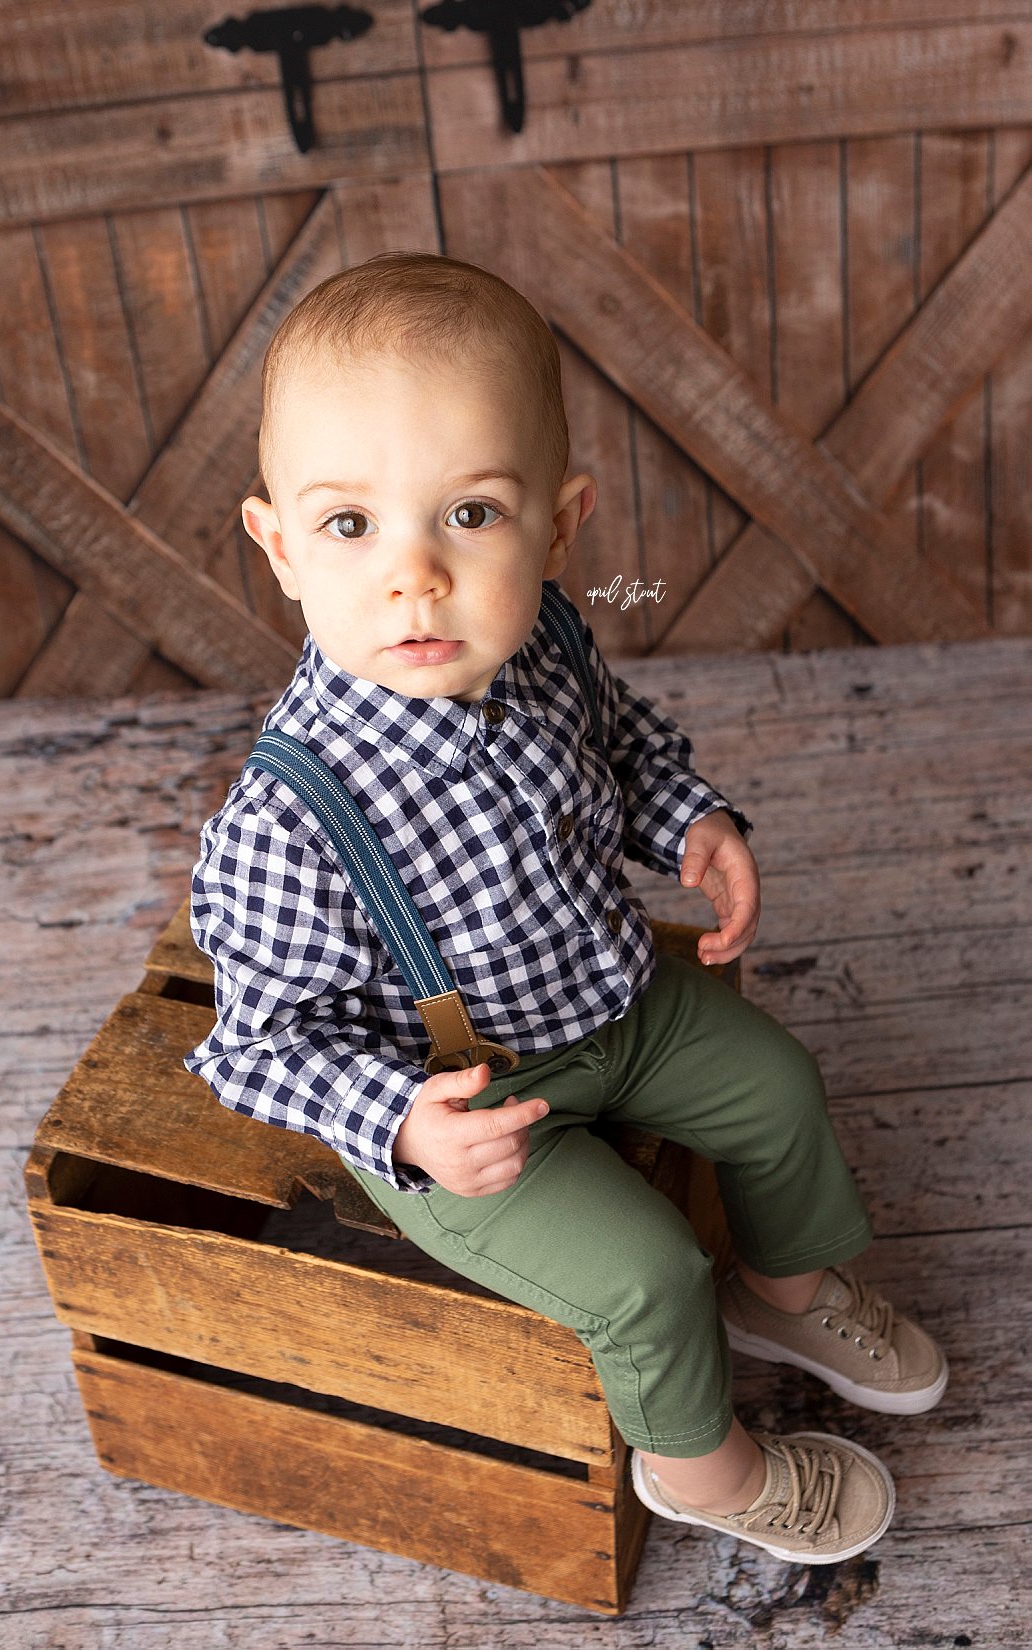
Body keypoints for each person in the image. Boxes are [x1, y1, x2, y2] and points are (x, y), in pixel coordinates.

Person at [185, 251, 947, 1566]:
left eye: (469, 516)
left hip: (609, 997)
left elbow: (626, 744)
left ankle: (785, 1288)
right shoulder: (289, 816)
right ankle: (704, 1465)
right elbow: (250, 1044)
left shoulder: (543, 643)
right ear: (279, 545)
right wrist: (405, 1124)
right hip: (464, 1097)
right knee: (643, 1272)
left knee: (773, 1083)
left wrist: (694, 822)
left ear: (560, 521)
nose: (416, 576)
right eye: (352, 525)